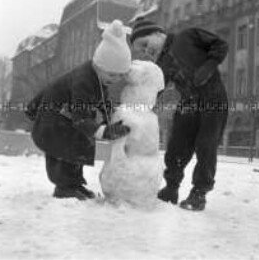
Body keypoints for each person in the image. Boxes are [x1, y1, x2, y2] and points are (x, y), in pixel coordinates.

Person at [25, 20, 131, 200]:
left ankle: (73, 184)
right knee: (66, 149)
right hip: (55, 121)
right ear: (99, 65)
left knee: (80, 143)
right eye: (112, 74)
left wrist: (111, 119)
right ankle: (64, 187)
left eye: (120, 75)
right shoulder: (84, 80)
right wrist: (105, 131)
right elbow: (80, 118)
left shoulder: (98, 77)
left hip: (65, 117)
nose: (115, 79)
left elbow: (102, 101)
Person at [130, 18, 228, 211]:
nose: (145, 51)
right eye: (141, 50)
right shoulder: (161, 65)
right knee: (177, 145)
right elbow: (157, 89)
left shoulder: (188, 36)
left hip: (213, 99)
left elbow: (220, 44)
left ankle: (199, 193)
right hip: (188, 103)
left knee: (205, 145)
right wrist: (141, 105)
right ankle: (171, 187)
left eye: (145, 44)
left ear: (159, 34)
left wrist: (208, 66)